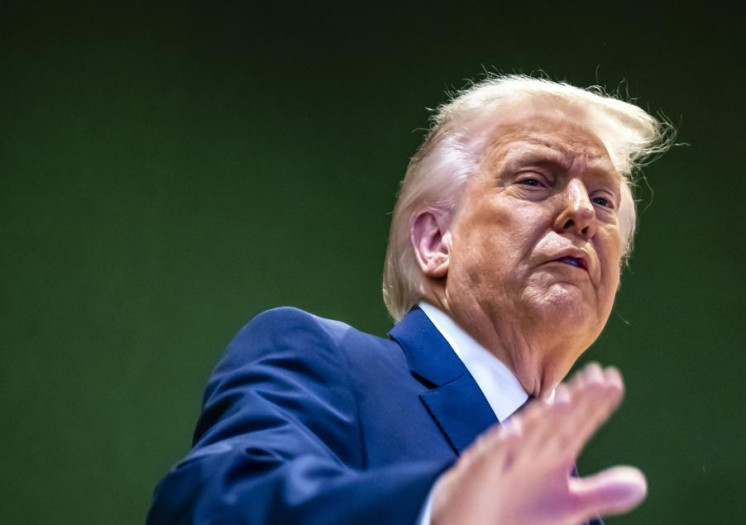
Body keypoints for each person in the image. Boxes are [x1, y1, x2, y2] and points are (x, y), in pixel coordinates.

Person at [147, 74, 670, 525]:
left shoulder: (575, 498)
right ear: (436, 242)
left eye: (603, 200)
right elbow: (210, 506)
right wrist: (437, 511)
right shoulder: (327, 361)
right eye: (535, 180)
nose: (581, 212)